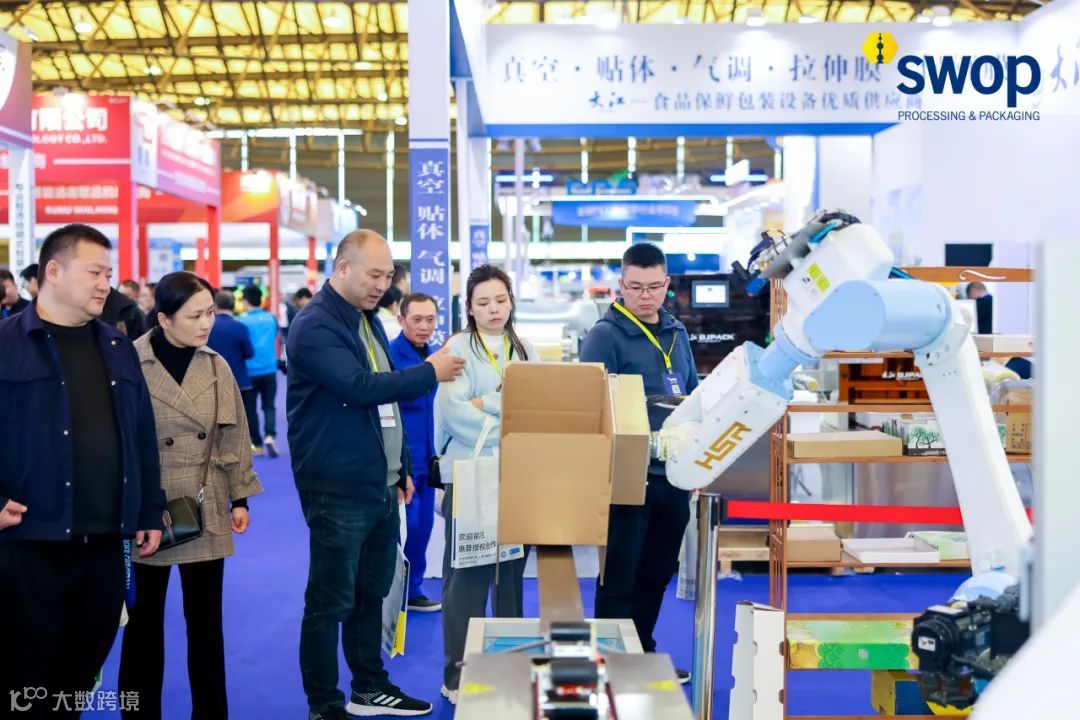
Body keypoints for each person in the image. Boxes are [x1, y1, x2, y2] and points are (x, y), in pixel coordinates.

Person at [286, 230, 465, 720]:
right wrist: (430, 371)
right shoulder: (315, 325)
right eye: (374, 275)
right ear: (343, 268)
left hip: (379, 482)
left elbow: (386, 407)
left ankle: (369, 686)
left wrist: (400, 465)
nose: (382, 285)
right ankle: (324, 704)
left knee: (372, 593)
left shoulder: (367, 321)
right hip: (337, 485)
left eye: (388, 276)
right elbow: (360, 387)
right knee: (329, 601)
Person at [0, 223, 165, 718]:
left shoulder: (117, 348)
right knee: (24, 675)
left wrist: (149, 510)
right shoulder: (6, 344)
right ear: (53, 271)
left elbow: (141, 433)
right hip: (28, 543)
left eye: (108, 275)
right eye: (95, 273)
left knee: (82, 666)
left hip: (105, 544)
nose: (105, 285)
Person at [118, 272, 263, 720]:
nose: (206, 324)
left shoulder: (217, 365)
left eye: (210, 313)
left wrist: (240, 498)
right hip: (149, 508)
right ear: (163, 318)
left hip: (205, 502)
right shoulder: (129, 362)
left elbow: (235, 434)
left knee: (206, 626)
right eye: (195, 315)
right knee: (143, 627)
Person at [579, 242, 699, 684]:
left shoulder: (677, 332)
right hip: (627, 475)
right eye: (635, 287)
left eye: (653, 287)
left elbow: (692, 395)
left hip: (674, 474)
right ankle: (610, 662)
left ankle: (642, 649)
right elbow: (591, 408)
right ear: (621, 285)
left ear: (667, 284)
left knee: (657, 571)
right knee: (619, 575)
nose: (645, 296)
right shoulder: (605, 335)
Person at [434, 264, 537, 704]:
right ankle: (458, 676)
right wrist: (506, 410)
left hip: (517, 474)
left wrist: (487, 402)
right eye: (483, 302)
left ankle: (508, 669)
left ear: (511, 301)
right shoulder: (456, 348)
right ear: (470, 308)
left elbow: (537, 408)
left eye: (500, 299)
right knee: (467, 578)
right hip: (470, 473)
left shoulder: (525, 348)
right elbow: (453, 414)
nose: (493, 309)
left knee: (511, 576)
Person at [388, 292, 442, 613]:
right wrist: (397, 466)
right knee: (401, 531)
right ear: (401, 320)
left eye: (430, 319)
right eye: (417, 319)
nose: (424, 326)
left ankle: (414, 590)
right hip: (401, 462)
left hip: (429, 461)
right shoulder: (390, 357)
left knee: (423, 529)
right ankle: (392, 595)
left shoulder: (438, 357)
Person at [238, 284, 280, 457]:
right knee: (269, 405)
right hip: (270, 368)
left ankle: (257, 443)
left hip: (249, 370)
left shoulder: (242, 321)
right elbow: (275, 337)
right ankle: (270, 435)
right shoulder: (271, 318)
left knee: (251, 408)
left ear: (246, 301)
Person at [208, 290, 255, 398]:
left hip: (213, 379)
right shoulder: (241, 327)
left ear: (215, 305)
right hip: (238, 380)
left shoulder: (208, 326)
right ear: (233, 306)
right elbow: (249, 353)